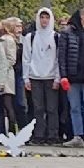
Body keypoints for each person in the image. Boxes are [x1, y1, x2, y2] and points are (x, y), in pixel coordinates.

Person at [23, 8, 61, 144]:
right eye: (41, 17)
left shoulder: (56, 37)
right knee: (38, 108)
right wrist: (26, 78)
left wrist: (57, 77)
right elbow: (26, 58)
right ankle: (38, 135)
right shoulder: (30, 37)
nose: (44, 20)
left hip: (51, 77)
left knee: (52, 108)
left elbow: (58, 59)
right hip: (35, 77)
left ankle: (53, 135)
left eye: (47, 18)